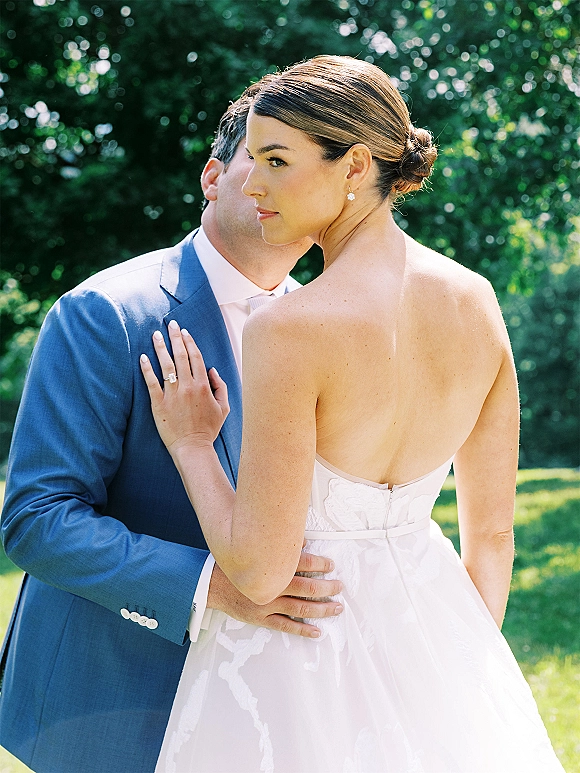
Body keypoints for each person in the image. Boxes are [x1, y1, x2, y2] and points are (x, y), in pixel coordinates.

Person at [142, 56, 565, 773]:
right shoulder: (477, 302)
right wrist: (453, 668)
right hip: (437, 636)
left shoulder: (290, 328)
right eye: (253, 159)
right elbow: (491, 537)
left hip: (300, 658)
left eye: (277, 160)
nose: (253, 181)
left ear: (356, 165)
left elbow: (260, 572)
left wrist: (190, 445)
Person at [0, 89, 344, 773]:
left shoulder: (330, 329)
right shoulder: (106, 313)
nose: (280, 182)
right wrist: (217, 585)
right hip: (113, 703)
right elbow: (37, 520)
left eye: (302, 166)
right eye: (263, 156)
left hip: (274, 707)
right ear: (213, 178)